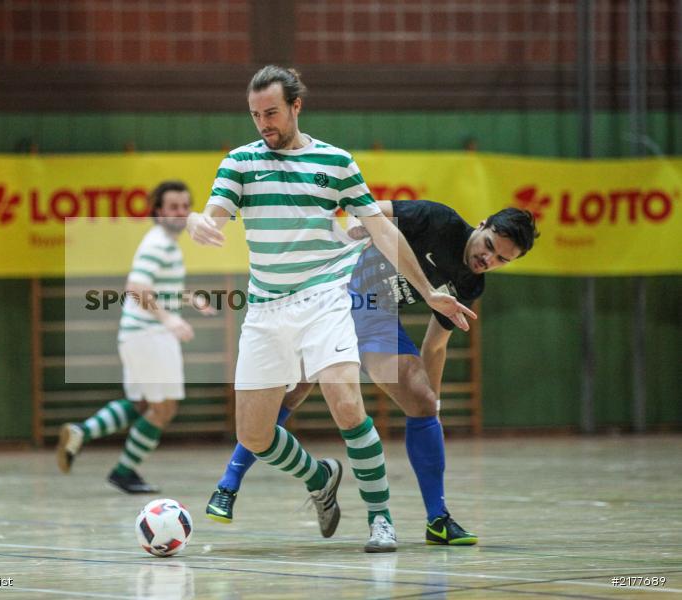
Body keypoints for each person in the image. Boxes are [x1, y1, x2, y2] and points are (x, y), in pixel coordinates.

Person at [186, 65, 476, 552]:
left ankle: (380, 519)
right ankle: (319, 477)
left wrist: (427, 292)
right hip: (265, 310)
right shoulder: (239, 162)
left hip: (325, 298)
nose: (263, 123)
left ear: (297, 106)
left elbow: (383, 230)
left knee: (346, 402)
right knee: (255, 435)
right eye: (255, 115)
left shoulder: (337, 162)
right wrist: (202, 220)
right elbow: (217, 209)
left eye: (272, 113)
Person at [206, 200, 539, 546]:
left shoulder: (470, 283)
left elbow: (435, 346)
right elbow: (370, 209)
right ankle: (229, 483)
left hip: (377, 317)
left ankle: (437, 519)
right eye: (488, 246)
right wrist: (357, 229)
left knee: (422, 401)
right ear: (481, 224)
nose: (488, 260)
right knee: (290, 393)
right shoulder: (438, 220)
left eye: (501, 260)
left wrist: (433, 405)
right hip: (332, 298)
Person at [56, 181, 213, 493]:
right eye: (173, 207)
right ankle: (124, 471)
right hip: (150, 335)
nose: (181, 213)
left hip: (135, 335)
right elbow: (137, 288)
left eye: (185, 206)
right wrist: (169, 319)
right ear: (158, 211)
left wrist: (188, 298)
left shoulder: (162, 242)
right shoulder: (160, 244)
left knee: (140, 403)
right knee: (164, 408)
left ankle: (81, 432)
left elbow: (156, 287)